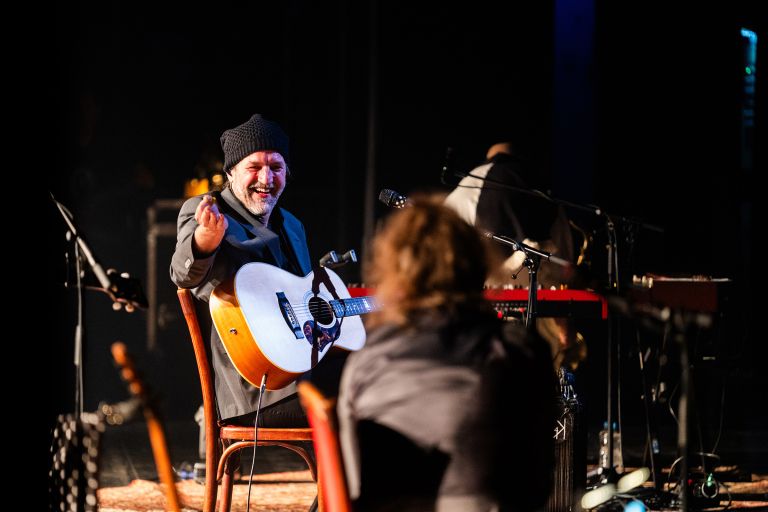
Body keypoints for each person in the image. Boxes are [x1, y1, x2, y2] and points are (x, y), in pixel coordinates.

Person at [337, 195, 557, 511]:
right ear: (476, 265)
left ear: (397, 272)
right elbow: (536, 485)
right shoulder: (518, 349)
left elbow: (352, 483)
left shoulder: (365, 360)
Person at [170, 113, 341, 427]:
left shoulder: (292, 225)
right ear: (231, 172)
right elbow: (183, 276)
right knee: (357, 399)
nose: (266, 178)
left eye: (276, 167)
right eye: (254, 167)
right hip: (253, 385)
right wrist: (204, 241)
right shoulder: (207, 211)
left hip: (302, 366)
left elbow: (302, 302)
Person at [444, 142, 583, 368]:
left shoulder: (460, 190)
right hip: (516, 323)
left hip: (461, 323)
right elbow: (558, 271)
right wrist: (565, 332)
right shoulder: (533, 189)